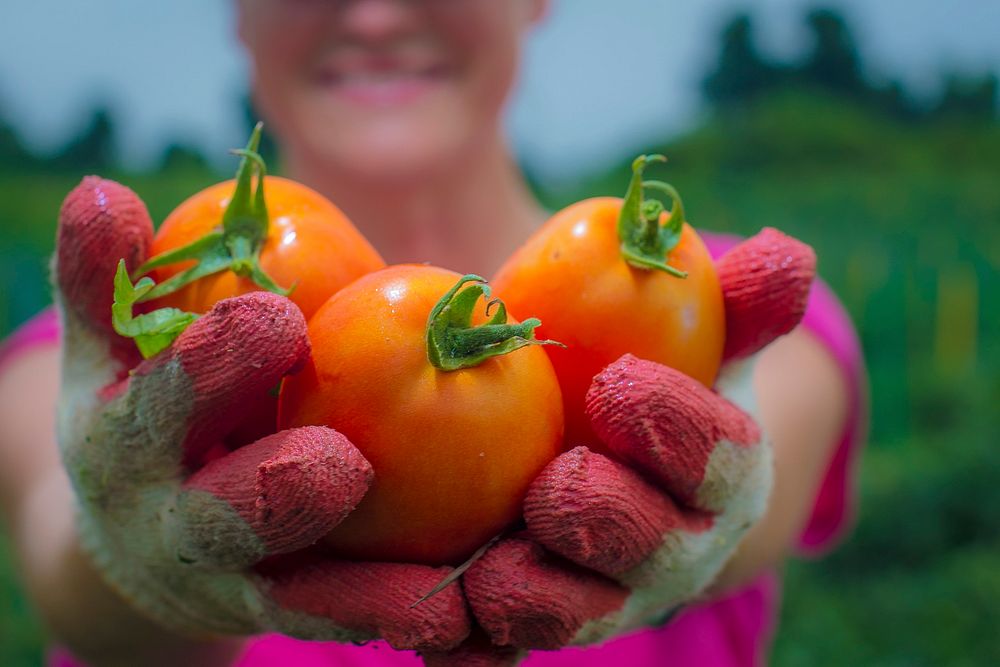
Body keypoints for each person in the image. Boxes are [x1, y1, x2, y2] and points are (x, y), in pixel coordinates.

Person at [0, 1, 866, 665]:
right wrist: (135, 570)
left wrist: (715, 515)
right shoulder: (85, 372)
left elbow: (758, 505)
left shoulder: (738, 323)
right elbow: (62, 572)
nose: (374, 16)